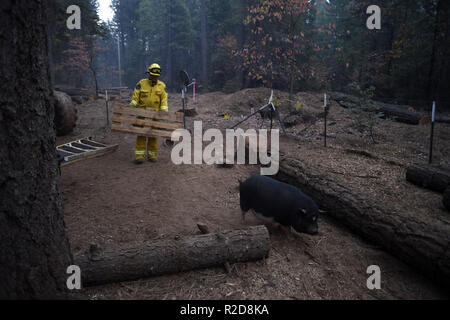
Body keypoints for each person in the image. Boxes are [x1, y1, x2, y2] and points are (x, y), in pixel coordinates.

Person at [129, 63, 168, 164]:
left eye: (156, 76)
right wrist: (132, 106)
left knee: (153, 135)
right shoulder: (141, 83)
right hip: (142, 115)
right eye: (152, 75)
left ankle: (152, 155)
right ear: (149, 74)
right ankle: (139, 156)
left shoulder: (162, 86)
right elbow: (135, 96)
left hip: (156, 116)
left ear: (158, 76)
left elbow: (164, 100)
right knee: (141, 135)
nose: (154, 77)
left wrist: (164, 111)